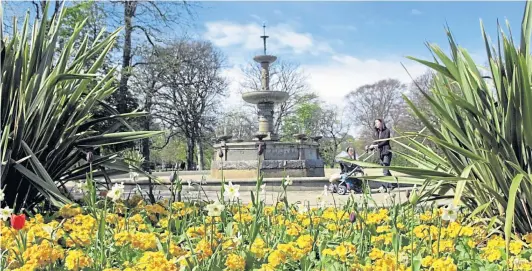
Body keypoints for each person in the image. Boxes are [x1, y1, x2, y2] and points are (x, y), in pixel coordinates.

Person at [368, 119, 395, 188]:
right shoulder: (377, 133)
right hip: (381, 154)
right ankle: (393, 184)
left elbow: (385, 141)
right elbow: (376, 142)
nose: (375, 124)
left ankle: (384, 186)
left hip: (387, 152)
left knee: (385, 170)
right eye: (375, 123)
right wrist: (370, 147)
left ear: (381, 123)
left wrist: (377, 145)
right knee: (386, 170)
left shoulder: (387, 131)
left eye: (377, 122)